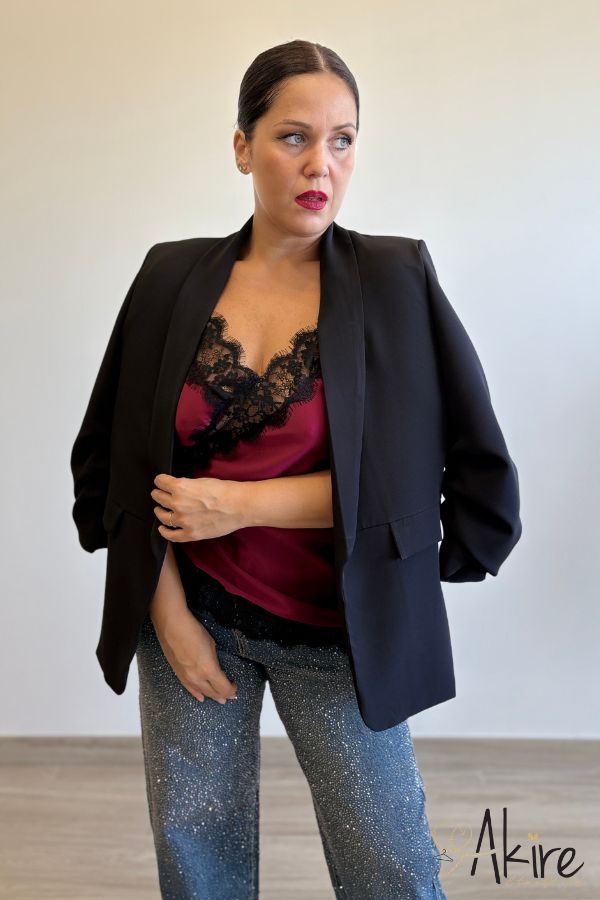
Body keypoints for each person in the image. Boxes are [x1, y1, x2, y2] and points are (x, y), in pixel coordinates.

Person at [71, 37, 521, 900]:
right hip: (194, 617)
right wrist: (168, 616)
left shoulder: (395, 278)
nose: (323, 164)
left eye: (343, 140)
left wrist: (239, 504)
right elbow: (120, 464)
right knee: (198, 866)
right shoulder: (168, 276)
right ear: (243, 146)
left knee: (391, 870)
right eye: (293, 137)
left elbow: (410, 484)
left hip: (339, 631)